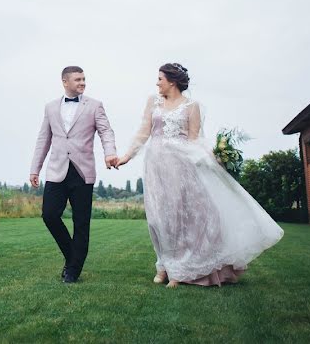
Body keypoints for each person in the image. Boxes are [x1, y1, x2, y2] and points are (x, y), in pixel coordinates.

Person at [118, 63, 283, 287]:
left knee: (177, 216)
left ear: (172, 81)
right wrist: (127, 156)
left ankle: (178, 271)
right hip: (155, 166)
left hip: (181, 166)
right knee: (157, 218)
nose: (157, 83)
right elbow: (143, 131)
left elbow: (195, 139)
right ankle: (163, 265)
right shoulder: (153, 102)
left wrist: (215, 159)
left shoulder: (192, 106)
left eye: (160, 78)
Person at [30, 65, 118, 283]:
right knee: (49, 215)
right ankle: (73, 257)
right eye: (78, 79)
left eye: (84, 79)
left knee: (81, 223)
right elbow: (43, 139)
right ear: (65, 82)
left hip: (82, 171)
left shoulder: (95, 106)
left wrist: (110, 153)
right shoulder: (50, 107)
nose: (82, 83)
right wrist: (35, 168)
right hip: (56, 170)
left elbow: (106, 131)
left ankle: (72, 271)